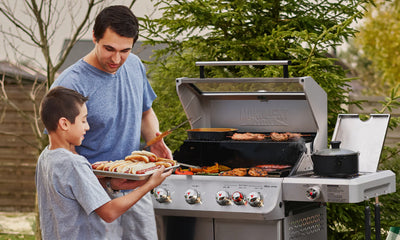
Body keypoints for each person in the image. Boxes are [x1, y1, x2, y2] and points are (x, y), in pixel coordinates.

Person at [51, 5, 173, 240]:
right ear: (95, 37)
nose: (117, 59)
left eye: (125, 50)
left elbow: (145, 112)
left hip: (134, 187)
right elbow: (61, 155)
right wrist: (107, 180)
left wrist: (154, 138)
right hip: (91, 196)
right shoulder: (69, 85)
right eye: (109, 49)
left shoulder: (135, 65)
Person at [36, 86, 172, 240]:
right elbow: (109, 212)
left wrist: (107, 182)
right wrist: (149, 185)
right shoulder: (74, 163)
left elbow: (70, 194)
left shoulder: (45, 157)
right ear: (64, 124)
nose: (87, 127)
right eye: (83, 120)